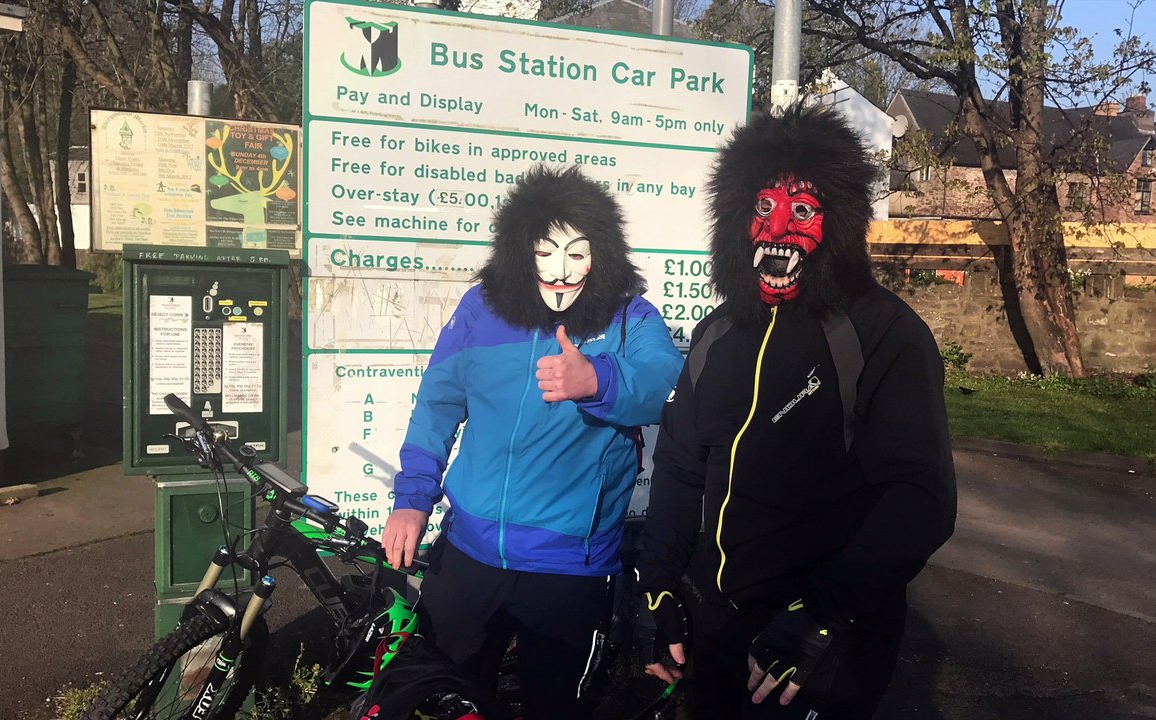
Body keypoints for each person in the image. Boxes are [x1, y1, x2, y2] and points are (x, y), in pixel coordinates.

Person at [634, 104, 957, 720]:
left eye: (802, 212)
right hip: (720, 628)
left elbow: (921, 497)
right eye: (763, 209)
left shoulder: (885, 334)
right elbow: (679, 464)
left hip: (822, 642)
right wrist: (659, 586)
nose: (776, 230)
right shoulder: (716, 333)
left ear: (836, 222)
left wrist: (821, 613)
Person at [381, 165, 683, 719]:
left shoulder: (627, 316)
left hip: (569, 571)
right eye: (545, 252)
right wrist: (412, 499)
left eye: (576, 254)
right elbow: (437, 404)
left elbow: (665, 379)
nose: (561, 272)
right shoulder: (481, 307)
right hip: (468, 557)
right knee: (439, 703)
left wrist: (598, 380)